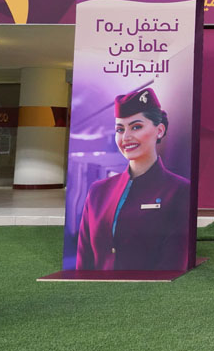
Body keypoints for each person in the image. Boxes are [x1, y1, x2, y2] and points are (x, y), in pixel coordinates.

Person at [76, 88, 190, 271]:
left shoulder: (179, 190)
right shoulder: (98, 191)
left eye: (136, 127)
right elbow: (83, 261)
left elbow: (173, 263)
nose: (126, 137)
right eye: (120, 129)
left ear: (159, 131)